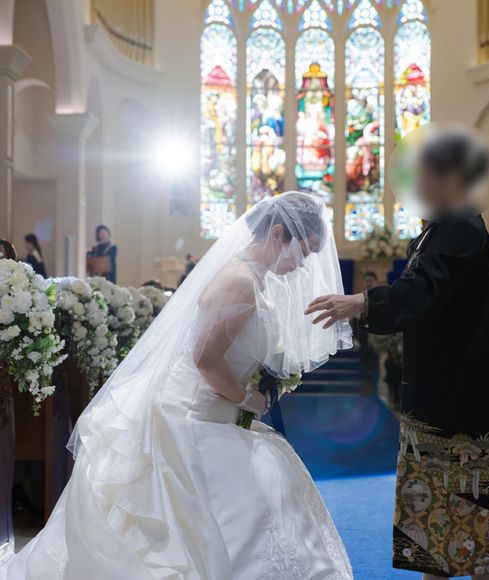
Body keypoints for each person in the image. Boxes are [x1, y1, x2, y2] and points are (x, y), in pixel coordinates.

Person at [1, 192, 353, 580]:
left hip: (216, 410)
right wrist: (248, 398)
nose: (302, 263)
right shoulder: (239, 281)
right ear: (278, 233)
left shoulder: (253, 280)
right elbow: (205, 359)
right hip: (191, 414)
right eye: (303, 251)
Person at [306, 129, 489, 579]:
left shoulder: (460, 225)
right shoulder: (442, 226)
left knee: (467, 511)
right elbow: (418, 298)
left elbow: (422, 291)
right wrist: (367, 306)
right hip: (438, 386)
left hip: (458, 396)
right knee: (439, 518)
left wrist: (361, 301)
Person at [355, 271, 380, 395]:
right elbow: (354, 319)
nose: (369, 283)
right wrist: (354, 338)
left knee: (376, 367)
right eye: (367, 280)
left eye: (371, 280)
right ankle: (365, 391)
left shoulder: (381, 299)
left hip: (377, 339)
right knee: (364, 366)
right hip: (363, 339)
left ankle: (375, 392)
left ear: (376, 282)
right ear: (363, 282)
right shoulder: (357, 299)